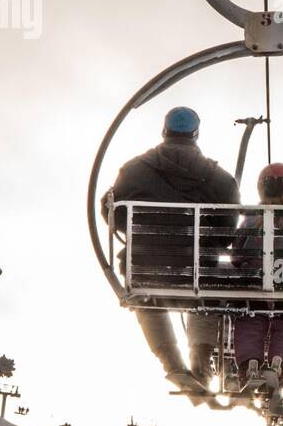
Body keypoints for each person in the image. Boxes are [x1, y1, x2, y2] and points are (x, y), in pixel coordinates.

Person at [102, 106, 239, 398]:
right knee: (208, 288)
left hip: (145, 267)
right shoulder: (220, 180)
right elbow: (228, 231)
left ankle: (171, 361)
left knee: (146, 296)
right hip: (199, 269)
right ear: (196, 134)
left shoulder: (133, 170)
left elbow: (112, 212)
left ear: (164, 131)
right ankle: (201, 359)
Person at [231, 163, 283, 403]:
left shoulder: (251, 217)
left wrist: (245, 265)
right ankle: (279, 363)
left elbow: (237, 253)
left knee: (250, 317)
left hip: (254, 280)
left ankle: (250, 362)